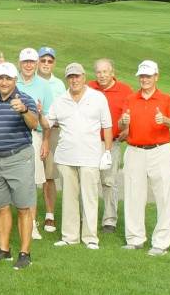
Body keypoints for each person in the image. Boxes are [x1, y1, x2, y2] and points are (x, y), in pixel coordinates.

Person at [46, 63, 113, 250]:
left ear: (84, 77)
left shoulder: (97, 97)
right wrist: (37, 113)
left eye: (77, 76)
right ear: (67, 79)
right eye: (70, 77)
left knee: (89, 198)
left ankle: (90, 238)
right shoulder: (60, 100)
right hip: (66, 156)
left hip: (90, 156)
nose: (74, 80)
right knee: (69, 198)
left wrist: (107, 151)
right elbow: (47, 123)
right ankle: (70, 236)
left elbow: (107, 126)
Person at [120, 60, 170, 256]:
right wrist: (123, 121)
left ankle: (161, 243)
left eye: (148, 76)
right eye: (142, 76)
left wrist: (165, 120)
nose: (144, 79)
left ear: (156, 77)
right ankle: (135, 239)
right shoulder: (130, 99)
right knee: (133, 195)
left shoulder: (167, 99)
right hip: (135, 150)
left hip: (159, 150)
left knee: (163, 196)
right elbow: (122, 127)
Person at [0, 62, 39, 270]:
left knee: (24, 208)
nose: (4, 82)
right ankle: (3, 249)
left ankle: (25, 253)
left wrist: (24, 110)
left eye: (8, 78)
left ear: (15, 80)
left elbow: (34, 124)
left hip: (19, 158)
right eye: (1, 78)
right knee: (2, 206)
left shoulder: (25, 100)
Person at [88, 58, 133, 233]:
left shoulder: (124, 90)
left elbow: (130, 114)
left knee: (109, 182)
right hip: (90, 143)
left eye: (105, 71)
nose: (102, 75)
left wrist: (128, 128)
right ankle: (88, 217)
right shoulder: (89, 87)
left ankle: (109, 220)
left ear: (112, 72)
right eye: (99, 72)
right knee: (89, 181)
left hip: (111, 143)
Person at [15, 47, 53, 240]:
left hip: (34, 136)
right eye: (25, 62)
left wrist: (46, 141)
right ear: (20, 64)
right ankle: (8, 222)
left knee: (32, 182)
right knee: (12, 181)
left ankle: (31, 224)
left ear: (36, 64)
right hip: (13, 134)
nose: (28, 65)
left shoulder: (45, 86)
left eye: (31, 62)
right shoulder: (12, 82)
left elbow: (48, 120)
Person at [35, 46, 66, 233]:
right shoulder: (31, 80)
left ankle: (49, 215)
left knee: (49, 176)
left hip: (52, 132)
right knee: (28, 177)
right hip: (32, 131)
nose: (46, 64)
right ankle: (27, 216)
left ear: (53, 63)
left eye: (50, 61)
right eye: (43, 60)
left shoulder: (59, 85)